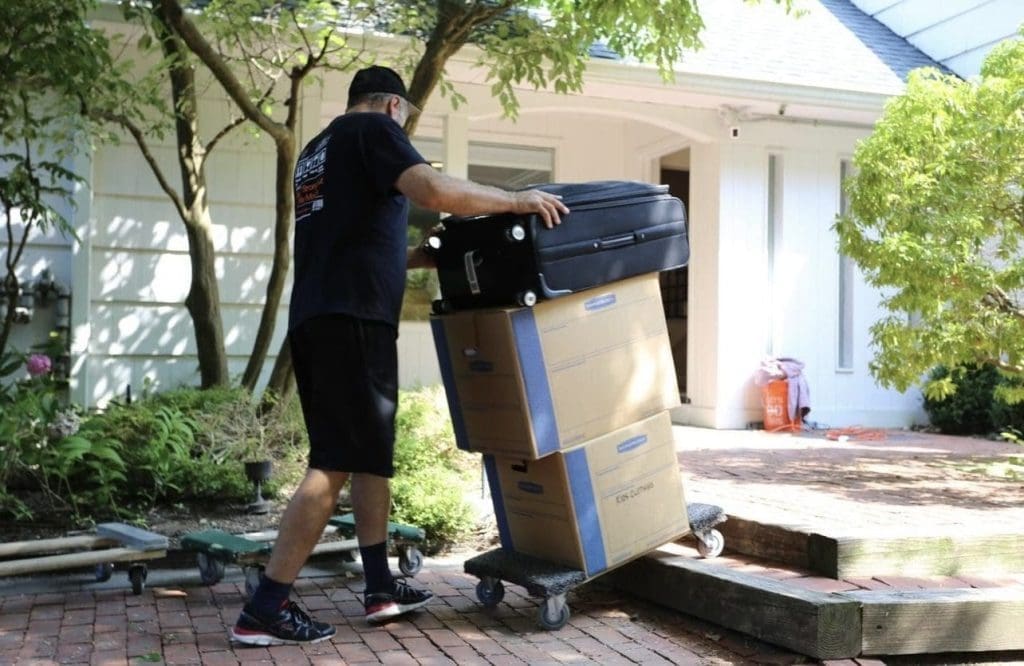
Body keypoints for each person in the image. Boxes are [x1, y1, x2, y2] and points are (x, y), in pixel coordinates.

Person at [231, 65, 569, 646]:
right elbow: (432, 192)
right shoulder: (375, 131)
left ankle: (381, 586)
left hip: (320, 316)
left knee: (368, 457)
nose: (405, 131)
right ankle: (266, 606)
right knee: (334, 461)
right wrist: (516, 199)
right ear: (393, 106)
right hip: (353, 320)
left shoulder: (318, 150)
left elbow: (350, 234)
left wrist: (417, 257)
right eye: (407, 121)